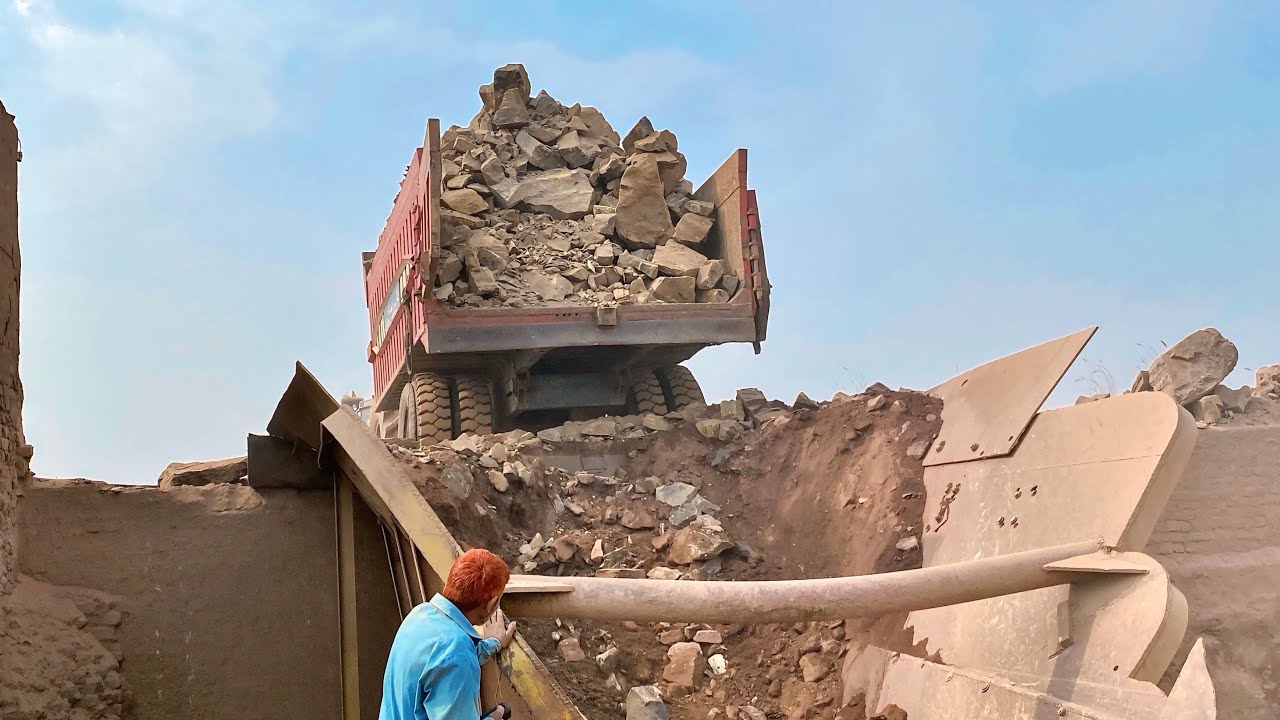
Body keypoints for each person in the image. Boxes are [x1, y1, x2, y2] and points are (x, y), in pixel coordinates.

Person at [379, 548, 518, 720]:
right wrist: (496, 716)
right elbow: (452, 658)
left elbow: (440, 660)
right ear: (492, 604)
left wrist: (493, 643)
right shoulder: (456, 655)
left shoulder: (420, 614)